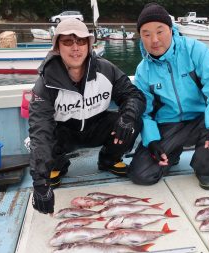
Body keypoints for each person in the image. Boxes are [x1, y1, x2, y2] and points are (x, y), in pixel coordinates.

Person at [28, 18, 145, 214]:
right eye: (67, 42)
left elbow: (133, 95)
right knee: (46, 138)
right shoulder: (45, 83)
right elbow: (40, 131)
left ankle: (109, 159)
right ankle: (58, 166)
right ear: (57, 47)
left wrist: (128, 116)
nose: (75, 48)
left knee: (130, 122)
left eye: (81, 41)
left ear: (89, 45)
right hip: (64, 132)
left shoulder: (106, 69)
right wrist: (40, 183)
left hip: (96, 124)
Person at [128, 3, 209, 190]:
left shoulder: (195, 50)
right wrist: (151, 140)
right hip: (168, 125)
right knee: (142, 174)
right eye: (146, 34)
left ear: (171, 29)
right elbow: (144, 111)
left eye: (160, 31)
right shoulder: (143, 71)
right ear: (141, 37)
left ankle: (204, 169)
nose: (154, 40)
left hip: (200, 120)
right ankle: (172, 154)